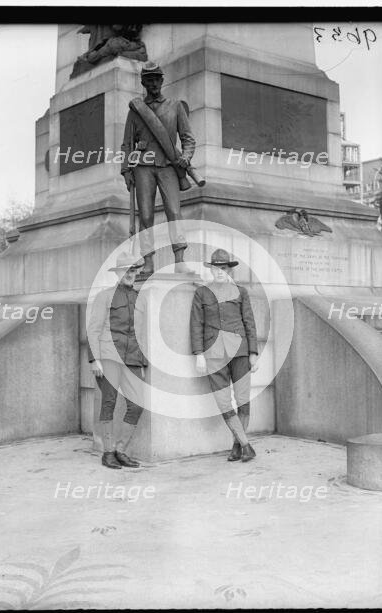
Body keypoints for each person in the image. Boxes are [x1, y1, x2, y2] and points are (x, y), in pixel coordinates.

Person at [120, 61, 196, 275]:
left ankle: (179, 259)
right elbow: (127, 143)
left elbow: (188, 138)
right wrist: (126, 170)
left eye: (156, 79)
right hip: (142, 168)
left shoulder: (175, 106)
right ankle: (149, 261)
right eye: (149, 79)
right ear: (143, 82)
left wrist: (186, 157)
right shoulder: (136, 110)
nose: (153, 83)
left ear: (162, 81)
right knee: (145, 216)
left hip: (168, 167)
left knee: (174, 212)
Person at [190, 249, 259, 462]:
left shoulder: (241, 292)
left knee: (242, 399)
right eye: (216, 268)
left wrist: (253, 353)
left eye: (224, 268)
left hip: (239, 351)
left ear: (229, 269)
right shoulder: (202, 293)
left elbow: (249, 322)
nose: (220, 272)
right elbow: (196, 325)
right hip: (214, 354)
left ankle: (237, 446)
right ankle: (246, 444)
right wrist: (199, 354)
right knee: (223, 402)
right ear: (211, 269)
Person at [87, 252, 147, 469]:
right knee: (109, 402)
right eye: (126, 270)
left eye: (133, 270)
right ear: (119, 273)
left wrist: (143, 363)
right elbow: (93, 329)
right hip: (108, 356)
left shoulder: (139, 297)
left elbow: (141, 333)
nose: (130, 274)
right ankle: (108, 452)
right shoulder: (104, 296)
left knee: (137, 404)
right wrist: (94, 359)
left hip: (132, 358)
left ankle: (121, 450)